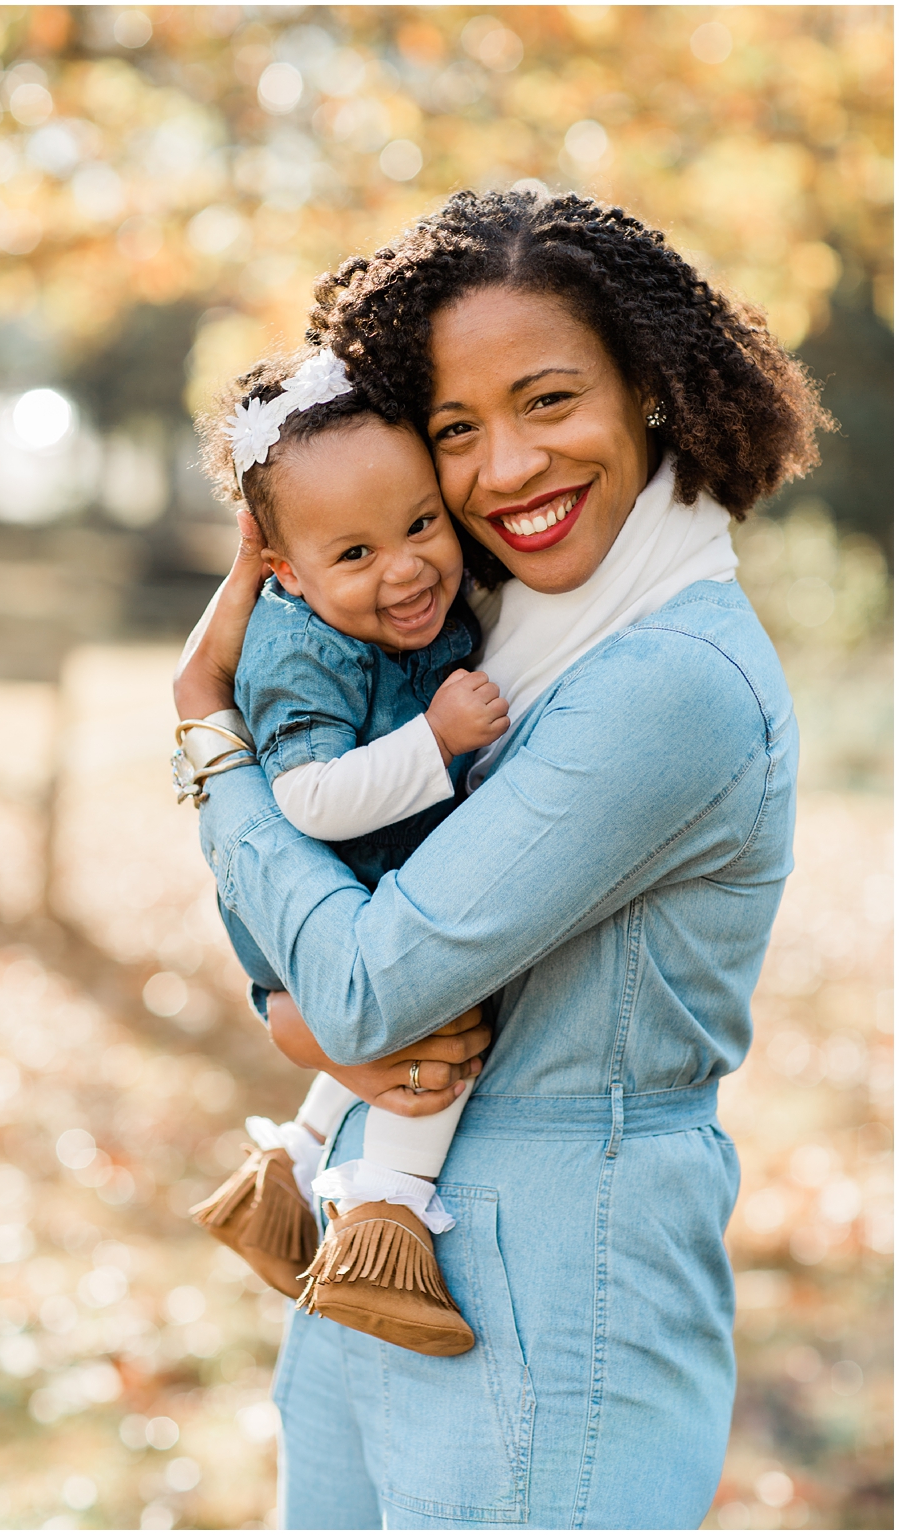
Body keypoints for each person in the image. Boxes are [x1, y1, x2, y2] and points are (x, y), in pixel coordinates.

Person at [173, 188, 824, 1528]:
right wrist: (293, 1019)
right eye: (456, 430)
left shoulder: (669, 680)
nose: (507, 468)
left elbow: (362, 976)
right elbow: (330, 977)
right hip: (370, 1248)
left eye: (548, 400)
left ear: (649, 387)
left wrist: (207, 742)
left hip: (551, 1292)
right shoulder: (482, 641)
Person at [181, 346, 509, 1358]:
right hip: (318, 880)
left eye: (418, 525)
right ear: (283, 571)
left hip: (350, 875)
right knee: (435, 1023)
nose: (405, 567)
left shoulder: (404, 608)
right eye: (355, 555)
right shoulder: (298, 648)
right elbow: (307, 797)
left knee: (396, 1028)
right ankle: (384, 1219)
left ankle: (284, 1171)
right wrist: (437, 742)